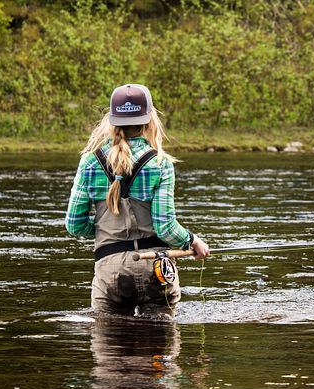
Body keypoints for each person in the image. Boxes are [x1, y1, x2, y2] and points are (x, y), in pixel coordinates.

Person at [65, 83, 209, 319]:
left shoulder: (89, 162)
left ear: (112, 119)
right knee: (159, 348)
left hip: (109, 268)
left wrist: (103, 230)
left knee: (111, 349)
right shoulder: (160, 163)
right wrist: (192, 242)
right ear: (150, 119)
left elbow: (74, 225)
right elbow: (165, 227)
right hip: (155, 267)